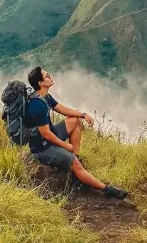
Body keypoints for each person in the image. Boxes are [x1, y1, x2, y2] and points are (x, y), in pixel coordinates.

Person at [23, 66, 128, 200]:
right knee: (74, 163)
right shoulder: (37, 105)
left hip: (50, 135)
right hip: (43, 147)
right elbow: (45, 134)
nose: (50, 76)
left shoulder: (45, 97)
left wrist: (83, 115)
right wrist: (65, 146)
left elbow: (61, 109)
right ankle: (107, 190)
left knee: (75, 121)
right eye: (47, 76)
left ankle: (77, 162)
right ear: (41, 83)